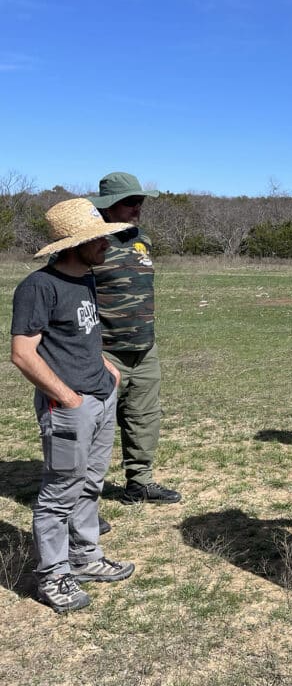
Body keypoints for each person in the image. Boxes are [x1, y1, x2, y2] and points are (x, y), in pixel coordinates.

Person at [10, 198, 138, 613]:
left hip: (101, 398)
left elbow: (82, 335)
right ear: (71, 244)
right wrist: (65, 396)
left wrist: (108, 371)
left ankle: (86, 559)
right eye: (96, 240)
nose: (105, 246)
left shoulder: (86, 279)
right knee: (59, 491)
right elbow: (22, 353)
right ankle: (53, 575)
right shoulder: (37, 287)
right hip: (68, 407)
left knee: (90, 483)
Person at [90, 172, 181, 505]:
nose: (137, 207)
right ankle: (83, 503)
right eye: (130, 201)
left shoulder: (142, 239)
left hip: (144, 349)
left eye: (140, 201)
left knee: (144, 419)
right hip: (104, 351)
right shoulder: (88, 242)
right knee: (92, 428)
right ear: (109, 205)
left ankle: (138, 484)